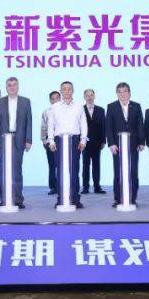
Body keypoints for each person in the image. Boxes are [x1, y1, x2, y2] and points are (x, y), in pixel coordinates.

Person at [0, 76, 33, 209]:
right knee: (3, 170)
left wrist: (28, 140)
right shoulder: (0, 102)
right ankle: (4, 199)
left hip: (19, 140)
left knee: (17, 170)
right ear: (6, 87)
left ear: (18, 86)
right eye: (9, 85)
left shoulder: (25, 101)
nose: (12, 87)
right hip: (3, 140)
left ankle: (18, 199)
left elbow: (29, 122)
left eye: (14, 85)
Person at [47, 81, 88, 209]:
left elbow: (83, 124)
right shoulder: (55, 107)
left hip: (75, 141)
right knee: (61, 171)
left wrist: (83, 140)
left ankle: (75, 199)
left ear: (73, 91)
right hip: (59, 141)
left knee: (74, 170)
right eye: (64, 89)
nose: (67, 91)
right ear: (61, 91)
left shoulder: (79, 106)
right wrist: (51, 141)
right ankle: (61, 199)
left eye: (69, 89)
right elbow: (50, 125)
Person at [106, 82, 145, 207]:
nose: (122, 94)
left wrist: (141, 142)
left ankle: (132, 198)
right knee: (118, 172)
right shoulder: (111, 107)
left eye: (125, 91)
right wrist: (111, 143)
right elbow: (108, 127)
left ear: (129, 93)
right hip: (117, 146)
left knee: (133, 171)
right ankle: (118, 199)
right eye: (120, 92)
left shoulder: (136, 106)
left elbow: (140, 125)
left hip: (133, 145)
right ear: (117, 93)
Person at [81, 88, 106, 195]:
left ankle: (97, 187)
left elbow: (104, 126)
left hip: (97, 142)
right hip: (84, 142)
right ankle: (85, 187)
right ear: (84, 97)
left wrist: (103, 141)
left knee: (96, 165)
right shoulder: (80, 109)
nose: (89, 97)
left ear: (94, 96)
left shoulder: (101, 110)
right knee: (85, 165)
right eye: (87, 95)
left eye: (91, 95)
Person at [40, 91, 60, 195]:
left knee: (62, 164)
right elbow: (43, 127)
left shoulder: (65, 111)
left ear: (60, 99)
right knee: (52, 165)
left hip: (62, 140)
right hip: (49, 141)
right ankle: (53, 187)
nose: (55, 100)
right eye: (53, 98)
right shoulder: (46, 112)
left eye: (57, 98)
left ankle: (62, 185)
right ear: (50, 100)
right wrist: (44, 141)